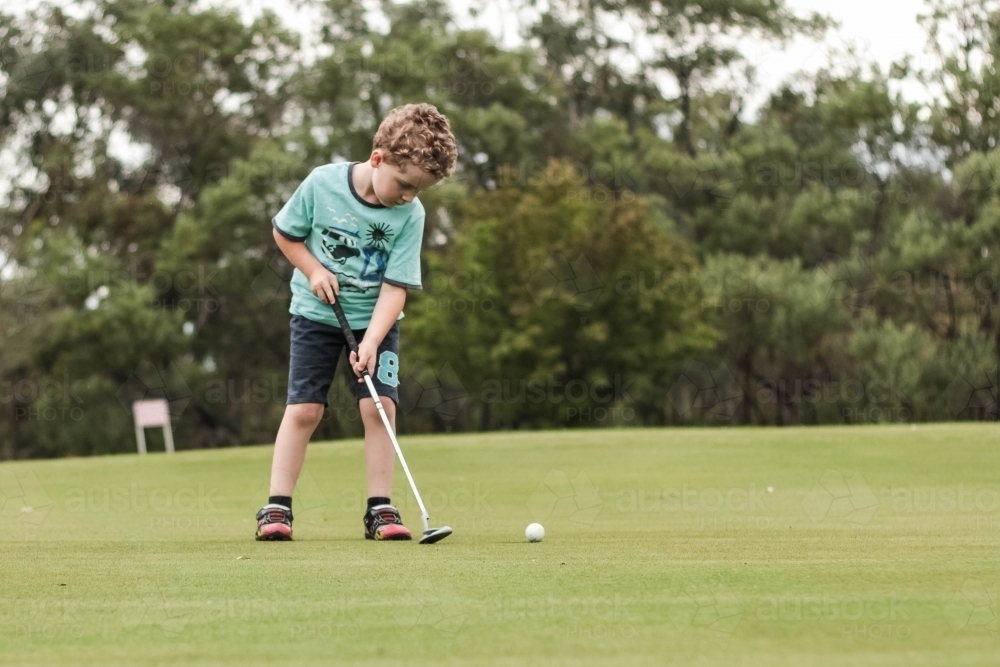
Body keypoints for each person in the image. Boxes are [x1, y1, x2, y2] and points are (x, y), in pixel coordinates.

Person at [255, 103, 457, 541]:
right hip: (313, 317)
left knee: (380, 407)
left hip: (376, 322)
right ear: (378, 158)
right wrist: (313, 270)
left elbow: (395, 286)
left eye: (418, 191)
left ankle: (380, 510)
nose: (407, 197)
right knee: (305, 409)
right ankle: (276, 508)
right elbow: (285, 233)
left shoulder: (411, 215)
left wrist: (373, 341)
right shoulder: (322, 183)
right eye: (404, 185)